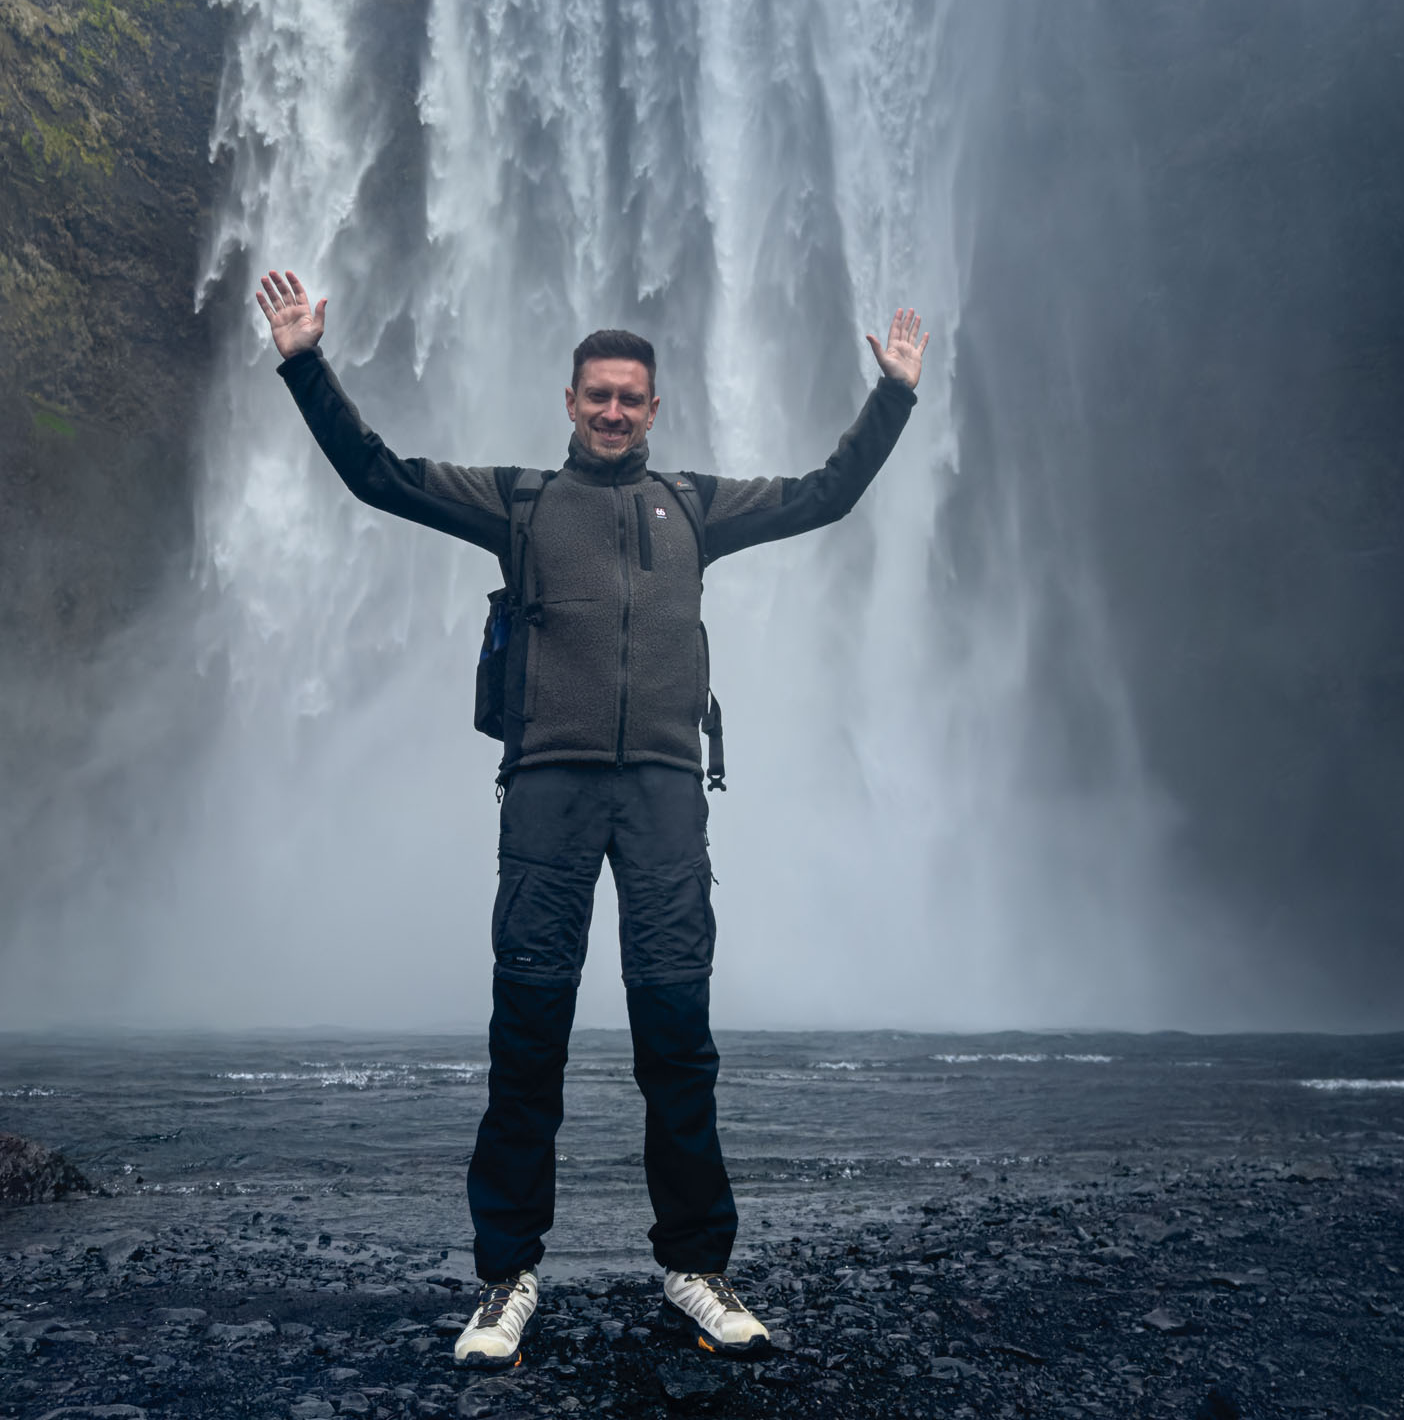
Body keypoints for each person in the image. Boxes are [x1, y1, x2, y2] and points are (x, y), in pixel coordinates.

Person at [256, 269, 927, 1372]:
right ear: (569, 403)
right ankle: (506, 1280)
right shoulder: (518, 503)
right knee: (527, 1041)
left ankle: (696, 1269)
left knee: (679, 1043)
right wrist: (303, 362)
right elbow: (377, 476)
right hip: (549, 797)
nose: (614, 411)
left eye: (632, 397)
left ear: (654, 410)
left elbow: (824, 494)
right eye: (597, 395)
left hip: (665, 796)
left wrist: (892, 397)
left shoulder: (697, 507)